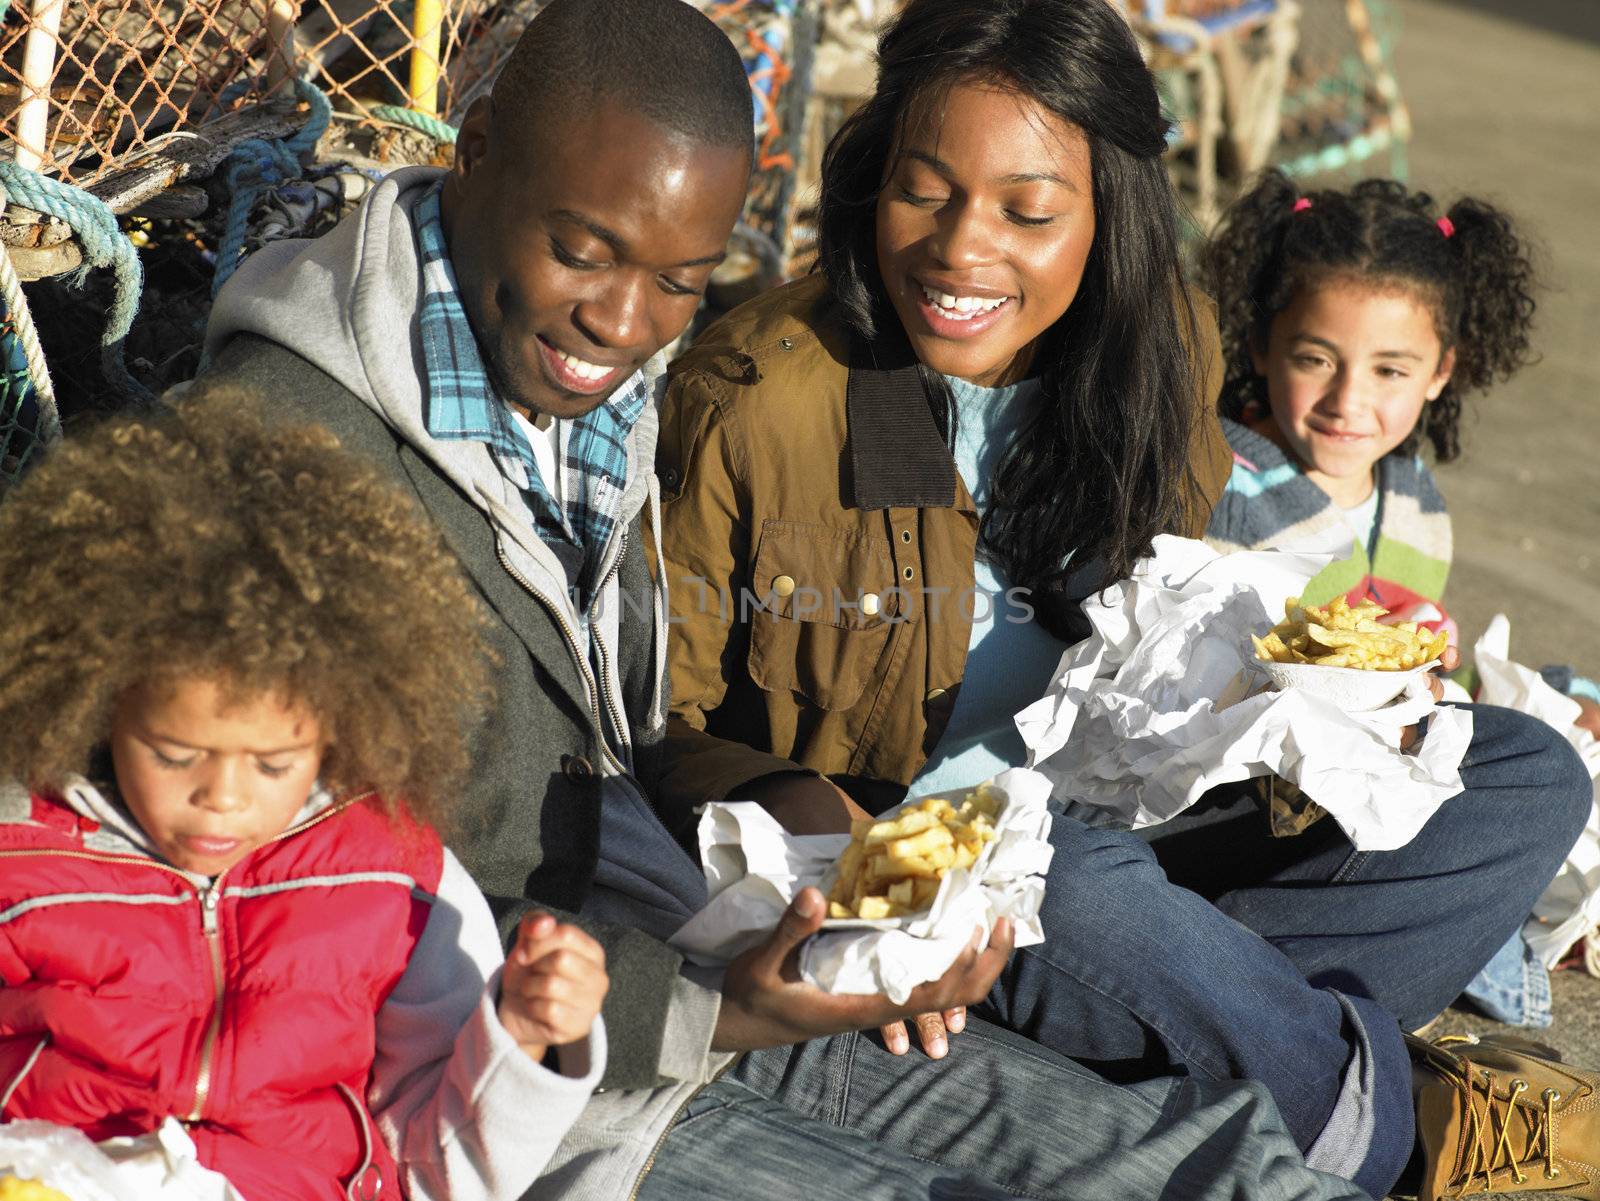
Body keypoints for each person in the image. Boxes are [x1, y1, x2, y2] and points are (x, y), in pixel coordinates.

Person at [199, 2, 1413, 1198]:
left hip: (714, 957)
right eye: (582, 252)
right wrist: (713, 997)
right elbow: (265, 886)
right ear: (475, 157)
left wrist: (807, 846)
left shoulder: (600, 397)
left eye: (680, 277)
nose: (622, 321)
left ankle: (1351, 1092)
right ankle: (1364, 1079)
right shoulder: (294, 459)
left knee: (1209, 1162)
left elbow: (631, 741)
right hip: (525, 1071)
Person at [656, 0, 1596, 1197]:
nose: (959, 250)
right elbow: (659, 731)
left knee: (1525, 775)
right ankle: (1391, 1127)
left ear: (1108, 216)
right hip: (930, 862)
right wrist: (844, 849)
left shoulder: (1165, 353)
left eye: (1027, 212)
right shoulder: (768, 397)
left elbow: (1161, 653)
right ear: (867, 179)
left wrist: (1296, 700)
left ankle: (1216, 1045)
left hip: (1128, 833)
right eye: (923, 190)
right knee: (1084, 887)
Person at [0, 392, 608, 1201]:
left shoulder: (396, 879)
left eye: (274, 762)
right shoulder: (21, 851)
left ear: (337, 727)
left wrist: (526, 1042)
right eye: (176, 754)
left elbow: (433, 1172)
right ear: (98, 701)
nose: (221, 797)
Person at [1200, 171, 1600, 1028]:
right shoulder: (1219, 483)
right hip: (1243, 812)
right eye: (1315, 359)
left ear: (1441, 372)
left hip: (1364, 783)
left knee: (1552, 745)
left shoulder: (1413, 500)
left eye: (1390, 369)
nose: (1350, 401)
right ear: (1262, 344)